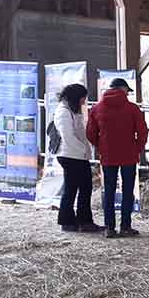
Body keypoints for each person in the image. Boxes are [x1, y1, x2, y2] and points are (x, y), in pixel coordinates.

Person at [87, 78, 148, 238]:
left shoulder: (96, 109)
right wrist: (137, 148)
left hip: (107, 156)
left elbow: (90, 133)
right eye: (127, 90)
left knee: (109, 191)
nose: (128, 93)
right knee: (128, 191)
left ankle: (109, 227)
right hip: (129, 155)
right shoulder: (133, 109)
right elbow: (142, 132)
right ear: (122, 89)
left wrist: (101, 146)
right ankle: (126, 227)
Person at [53, 84, 102, 233]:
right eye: (82, 98)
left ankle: (75, 221)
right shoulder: (63, 112)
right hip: (70, 155)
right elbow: (68, 136)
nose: (84, 101)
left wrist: (86, 150)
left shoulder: (72, 110)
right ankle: (76, 221)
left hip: (75, 155)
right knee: (76, 188)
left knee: (77, 188)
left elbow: (79, 132)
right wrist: (83, 151)